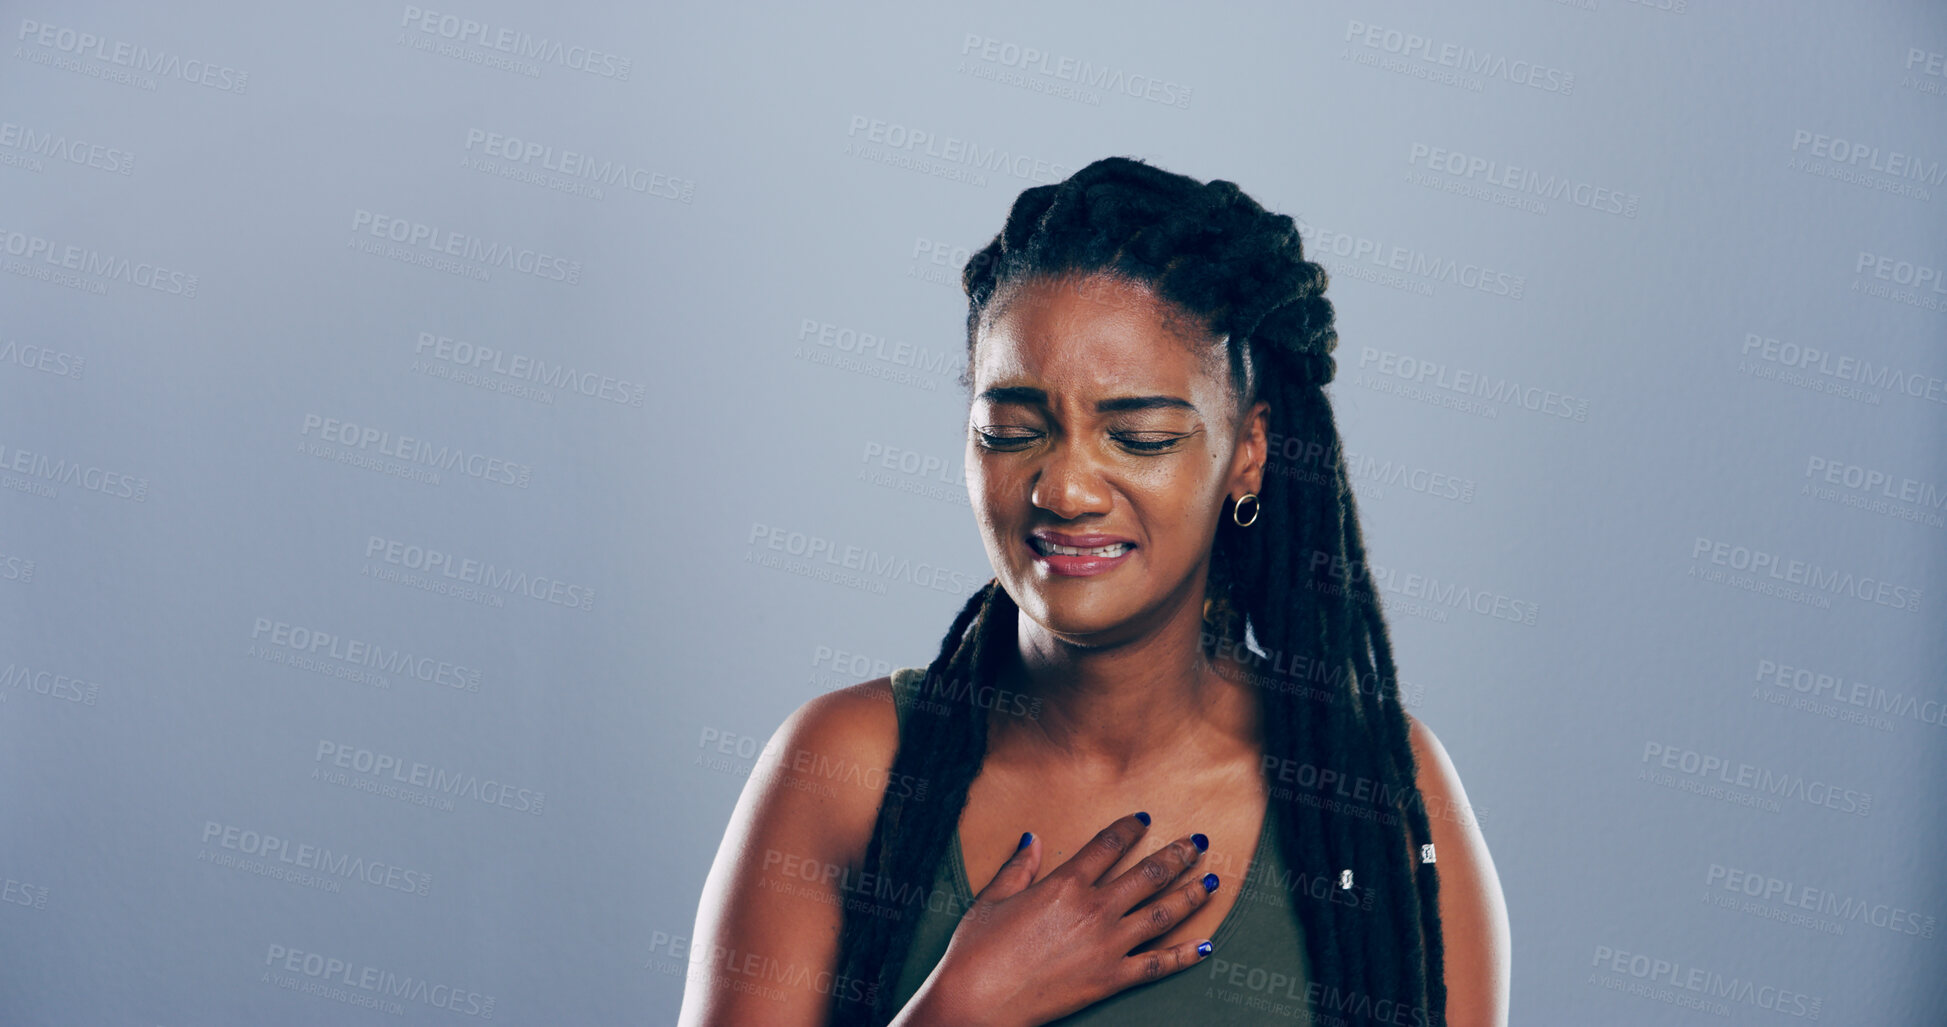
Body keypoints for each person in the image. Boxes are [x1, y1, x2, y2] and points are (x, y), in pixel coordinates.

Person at [679, 156, 1510, 1026]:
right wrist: (961, 1008)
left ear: (1249, 452)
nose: (1065, 489)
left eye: (1139, 437)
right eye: (1012, 430)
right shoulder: (845, 769)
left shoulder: (1372, 788)